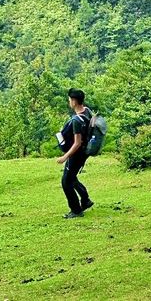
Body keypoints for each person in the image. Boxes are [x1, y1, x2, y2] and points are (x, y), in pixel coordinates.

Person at [56, 88, 93, 219]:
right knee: (71, 177)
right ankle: (85, 200)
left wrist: (65, 156)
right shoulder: (87, 111)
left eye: (70, 100)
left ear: (74, 101)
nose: (69, 102)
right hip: (84, 152)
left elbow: (77, 142)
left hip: (76, 154)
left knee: (66, 182)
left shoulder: (77, 120)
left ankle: (76, 210)